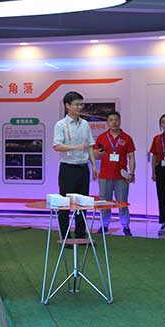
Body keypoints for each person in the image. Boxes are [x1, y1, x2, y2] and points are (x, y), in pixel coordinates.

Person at [52, 91, 97, 238]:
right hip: (68, 168)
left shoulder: (85, 124)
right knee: (65, 204)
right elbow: (57, 146)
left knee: (83, 203)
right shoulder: (60, 125)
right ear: (67, 106)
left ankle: (80, 235)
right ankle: (65, 237)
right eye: (76, 104)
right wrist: (76, 147)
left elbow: (90, 145)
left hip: (83, 168)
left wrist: (94, 165)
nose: (79, 107)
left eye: (81, 104)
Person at [95, 111, 136, 236]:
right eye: (111, 120)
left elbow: (131, 156)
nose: (114, 122)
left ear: (120, 121)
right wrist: (97, 154)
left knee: (122, 202)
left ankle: (126, 226)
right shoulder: (102, 137)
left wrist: (132, 173)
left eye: (116, 120)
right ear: (107, 122)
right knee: (105, 202)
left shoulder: (127, 138)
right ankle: (104, 225)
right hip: (105, 176)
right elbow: (97, 155)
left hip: (121, 177)